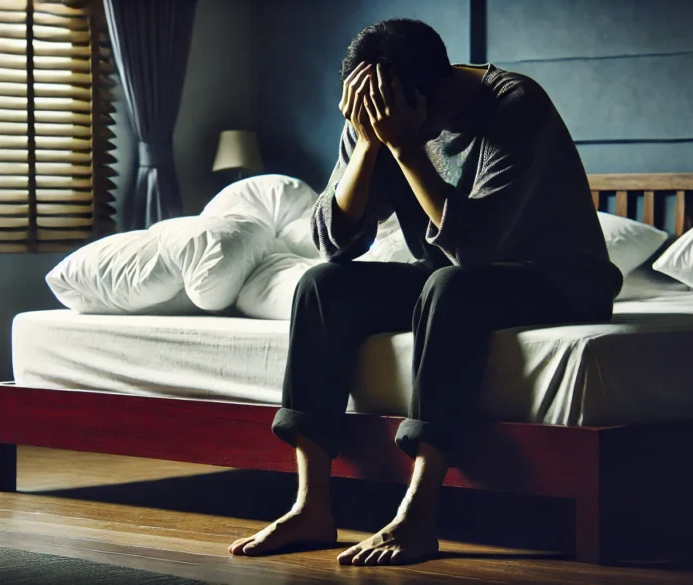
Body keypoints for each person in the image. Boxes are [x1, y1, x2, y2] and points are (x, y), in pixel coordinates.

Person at [229, 18, 622, 566]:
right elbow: (334, 243)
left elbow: (476, 250)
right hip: (456, 274)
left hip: (558, 279)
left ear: (432, 94)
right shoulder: (379, 110)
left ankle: (418, 513)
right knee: (323, 285)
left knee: (451, 285)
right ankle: (312, 506)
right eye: (368, 113)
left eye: (390, 118)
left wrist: (408, 149)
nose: (379, 121)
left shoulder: (514, 106)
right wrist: (368, 146)